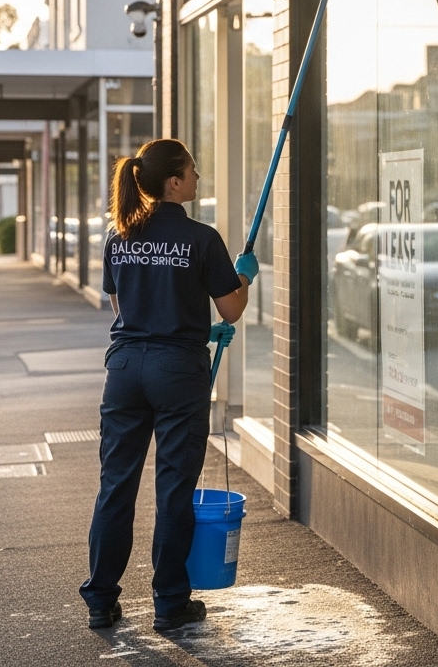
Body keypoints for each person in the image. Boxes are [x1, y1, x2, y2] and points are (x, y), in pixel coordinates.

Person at [79, 139, 259, 634]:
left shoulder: (120, 237)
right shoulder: (201, 238)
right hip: (178, 373)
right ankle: (170, 602)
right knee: (173, 490)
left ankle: (100, 599)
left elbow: (125, 311)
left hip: (125, 372)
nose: (198, 177)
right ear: (174, 182)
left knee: (115, 486)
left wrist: (190, 328)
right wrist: (242, 279)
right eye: (193, 170)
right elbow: (232, 309)